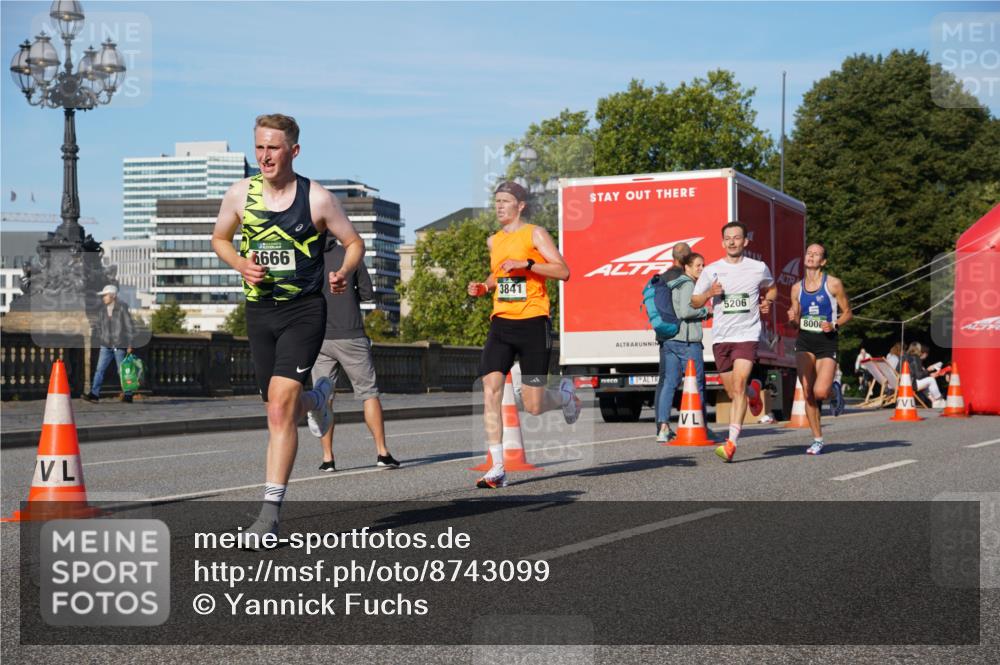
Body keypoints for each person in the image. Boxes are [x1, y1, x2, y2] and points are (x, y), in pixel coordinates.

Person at [211, 113, 364, 543]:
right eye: (259, 147)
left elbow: (354, 243)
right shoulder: (240, 195)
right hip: (260, 314)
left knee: (280, 409)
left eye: (273, 148)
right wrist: (240, 263)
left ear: (293, 151)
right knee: (280, 409)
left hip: (304, 312)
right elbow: (220, 238)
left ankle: (269, 515)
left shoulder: (317, 199)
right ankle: (318, 399)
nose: (264, 156)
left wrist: (344, 272)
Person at [466, 180, 579, 489]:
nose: (499, 206)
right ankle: (498, 467)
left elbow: (563, 270)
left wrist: (527, 264)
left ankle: (564, 396)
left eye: (505, 201)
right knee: (491, 388)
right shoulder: (493, 241)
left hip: (533, 324)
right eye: (496, 201)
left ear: (520, 206)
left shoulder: (535, 234)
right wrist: (485, 286)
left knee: (533, 405)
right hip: (501, 323)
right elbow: (499, 273)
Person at [307, 237, 399, 471]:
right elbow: (367, 293)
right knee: (369, 394)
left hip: (319, 337)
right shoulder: (351, 254)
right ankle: (382, 452)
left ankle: (328, 459)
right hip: (351, 334)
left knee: (323, 397)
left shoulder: (306, 256)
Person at [691, 221, 776, 463]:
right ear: (722, 242)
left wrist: (767, 301)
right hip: (721, 337)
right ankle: (754, 392)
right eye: (727, 238)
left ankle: (731, 443)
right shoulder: (712, 270)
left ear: (745, 242)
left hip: (746, 335)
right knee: (732, 390)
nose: (732, 242)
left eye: (736, 237)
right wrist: (709, 294)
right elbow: (695, 301)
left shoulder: (757, 268)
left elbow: (771, 288)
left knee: (737, 386)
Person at [786, 243, 852, 455]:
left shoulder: (833, 284)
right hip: (805, 342)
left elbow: (848, 312)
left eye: (816, 254)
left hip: (827, 342)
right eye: (808, 252)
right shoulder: (796, 288)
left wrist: (835, 324)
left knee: (820, 391)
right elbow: (795, 321)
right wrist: (792, 319)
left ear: (823, 261)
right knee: (807, 392)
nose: (811, 256)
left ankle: (834, 392)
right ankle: (817, 439)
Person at [655, 252, 720, 443]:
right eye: (698, 266)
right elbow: (685, 311)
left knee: (670, 382)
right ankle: (702, 428)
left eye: (703, 265)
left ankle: (663, 427)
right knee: (698, 384)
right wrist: (705, 312)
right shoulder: (688, 284)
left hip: (670, 340)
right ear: (687, 268)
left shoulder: (674, 283)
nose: (702, 269)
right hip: (686, 341)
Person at [82, 284, 136, 403]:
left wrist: (130, 344)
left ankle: (128, 394)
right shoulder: (102, 311)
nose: (103, 298)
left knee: (122, 370)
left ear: (113, 296)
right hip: (105, 345)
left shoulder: (122, 308)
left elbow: (129, 327)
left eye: (105, 295)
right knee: (99, 370)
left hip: (119, 345)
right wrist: (100, 335)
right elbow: (99, 326)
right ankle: (94, 394)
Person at [902, 342, 946, 408]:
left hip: (902, 382)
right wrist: (928, 370)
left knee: (926, 382)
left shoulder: (904, 357)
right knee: (931, 380)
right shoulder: (916, 358)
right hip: (910, 384)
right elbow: (919, 376)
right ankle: (939, 400)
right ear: (918, 349)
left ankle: (934, 401)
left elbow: (915, 374)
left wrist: (927, 373)